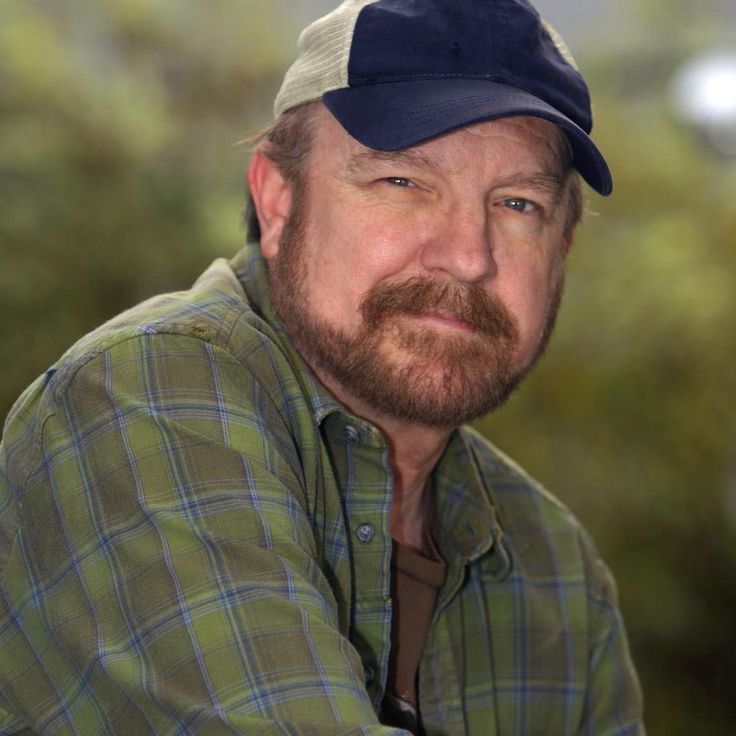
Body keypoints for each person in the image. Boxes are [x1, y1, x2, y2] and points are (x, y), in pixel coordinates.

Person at [0, 0, 645, 733]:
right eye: (401, 183)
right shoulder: (139, 398)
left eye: (518, 203)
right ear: (278, 201)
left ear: (561, 251)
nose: (468, 255)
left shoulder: (556, 571)